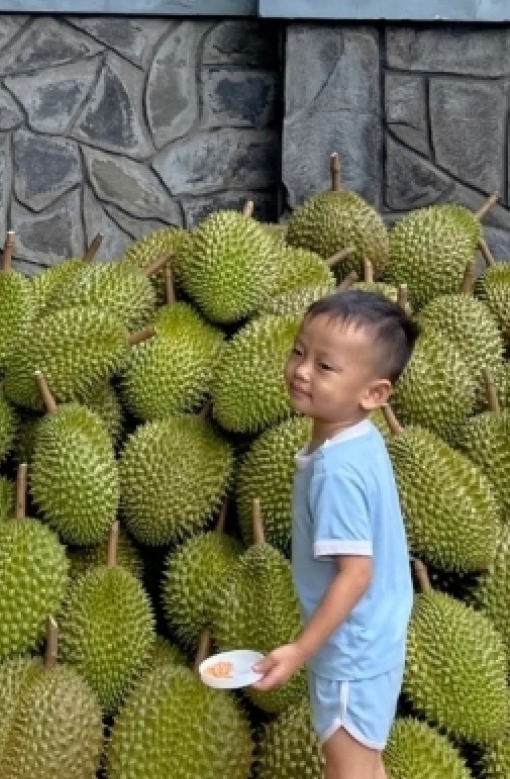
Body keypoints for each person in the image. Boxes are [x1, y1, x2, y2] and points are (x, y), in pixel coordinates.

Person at [253, 290, 418, 778]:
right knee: (363, 763)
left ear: (374, 394)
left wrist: (302, 650)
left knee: (348, 768)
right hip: (375, 637)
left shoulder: (334, 474)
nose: (302, 370)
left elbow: (355, 574)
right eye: (299, 352)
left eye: (326, 367)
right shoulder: (362, 440)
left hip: (352, 651)